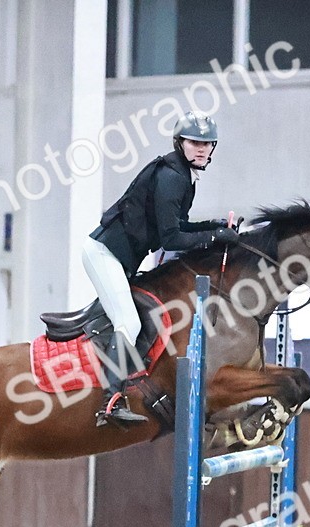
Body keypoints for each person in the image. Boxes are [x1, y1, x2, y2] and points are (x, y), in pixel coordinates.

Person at [84, 112, 239, 427]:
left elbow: (179, 226)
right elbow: (171, 239)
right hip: (103, 255)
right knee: (128, 322)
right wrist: (215, 237)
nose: (202, 149)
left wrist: (214, 227)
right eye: (194, 143)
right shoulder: (172, 177)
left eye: (207, 144)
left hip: (119, 257)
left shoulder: (183, 176)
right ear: (180, 143)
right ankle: (110, 402)